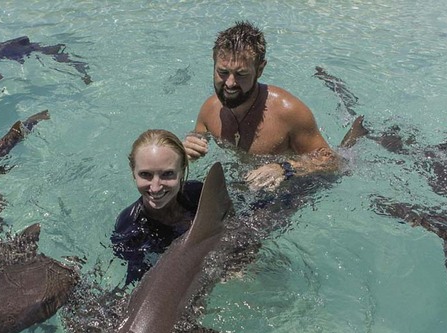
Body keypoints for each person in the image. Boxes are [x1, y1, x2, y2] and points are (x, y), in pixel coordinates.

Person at [183, 21, 341, 191]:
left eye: (241, 74)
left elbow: (334, 162)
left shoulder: (289, 112)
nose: (229, 83)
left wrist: (285, 169)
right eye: (222, 72)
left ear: (260, 70)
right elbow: (196, 141)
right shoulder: (209, 110)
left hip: (289, 189)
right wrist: (183, 151)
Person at [111, 129, 202, 285]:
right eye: (145, 174)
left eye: (167, 174)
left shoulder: (198, 195)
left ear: (182, 171)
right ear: (133, 173)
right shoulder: (129, 228)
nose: (155, 187)